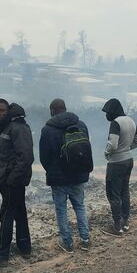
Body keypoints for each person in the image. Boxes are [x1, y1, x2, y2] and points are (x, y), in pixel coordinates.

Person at [0, 99, 34, 267]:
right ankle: (25, 248)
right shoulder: (7, 126)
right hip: (10, 179)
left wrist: (11, 179)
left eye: (1, 110)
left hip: (12, 181)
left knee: (6, 214)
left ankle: (2, 254)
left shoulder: (17, 127)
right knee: (19, 212)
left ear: (8, 110)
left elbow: (26, 157)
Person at [39, 98, 92, 253]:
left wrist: (51, 170)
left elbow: (44, 157)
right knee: (80, 206)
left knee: (61, 209)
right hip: (78, 175)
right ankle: (85, 239)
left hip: (58, 178)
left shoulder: (47, 130)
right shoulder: (81, 125)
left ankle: (67, 243)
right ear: (65, 108)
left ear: (52, 111)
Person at [101, 98, 137, 236]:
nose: (106, 115)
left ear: (113, 111)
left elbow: (112, 144)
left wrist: (107, 153)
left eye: (107, 112)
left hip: (116, 163)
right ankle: (125, 223)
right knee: (125, 192)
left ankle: (116, 226)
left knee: (114, 194)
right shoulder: (131, 121)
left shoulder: (115, 123)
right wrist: (126, 148)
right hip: (129, 160)